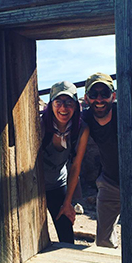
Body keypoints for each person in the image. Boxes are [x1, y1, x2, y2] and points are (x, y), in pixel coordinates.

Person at [41, 81, 89, 244]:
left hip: (57, 183)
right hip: (33, 186)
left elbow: (75, 166)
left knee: (66, 234)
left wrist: (68, 202)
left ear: (76, 105)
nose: (63, 108)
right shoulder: (39, 125)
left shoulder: (81, 129)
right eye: (58, 102)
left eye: (69, 102)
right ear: (51, 104)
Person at [82, 72, 120, 248]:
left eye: (104, 94)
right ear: (86, 98)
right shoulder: (86, 118)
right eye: (93, 94)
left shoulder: (124, 113)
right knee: (103, 240)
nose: (99, 99)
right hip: (110, 181)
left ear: (113, 95)